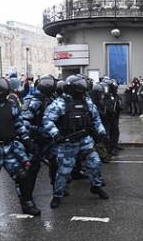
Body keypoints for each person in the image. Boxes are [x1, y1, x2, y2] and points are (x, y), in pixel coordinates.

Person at [42, 75, 109, 209]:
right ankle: (57, 195)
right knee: (64, 171)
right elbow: (47, 120)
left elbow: (96, 118)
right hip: (68, 142)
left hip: (85, 140)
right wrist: (56, 134)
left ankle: (96, 186)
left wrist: (101, 132)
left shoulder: (87, 102)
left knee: (95, 163)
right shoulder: (60, 103)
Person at [0, 77, 40, 219]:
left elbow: (19, 125)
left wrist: (27, 142)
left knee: (22, 176)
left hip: (10, 147)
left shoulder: (11, 105)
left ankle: (27, 203)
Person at [22, 75, 58, 200]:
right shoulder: (32, 100)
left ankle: (57, 191)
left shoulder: (52, 99)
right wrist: (29, 141)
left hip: (49, 139)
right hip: (36, 139)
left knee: (55, 163)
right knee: (33, 168)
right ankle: (27, 197)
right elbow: (24, 122)